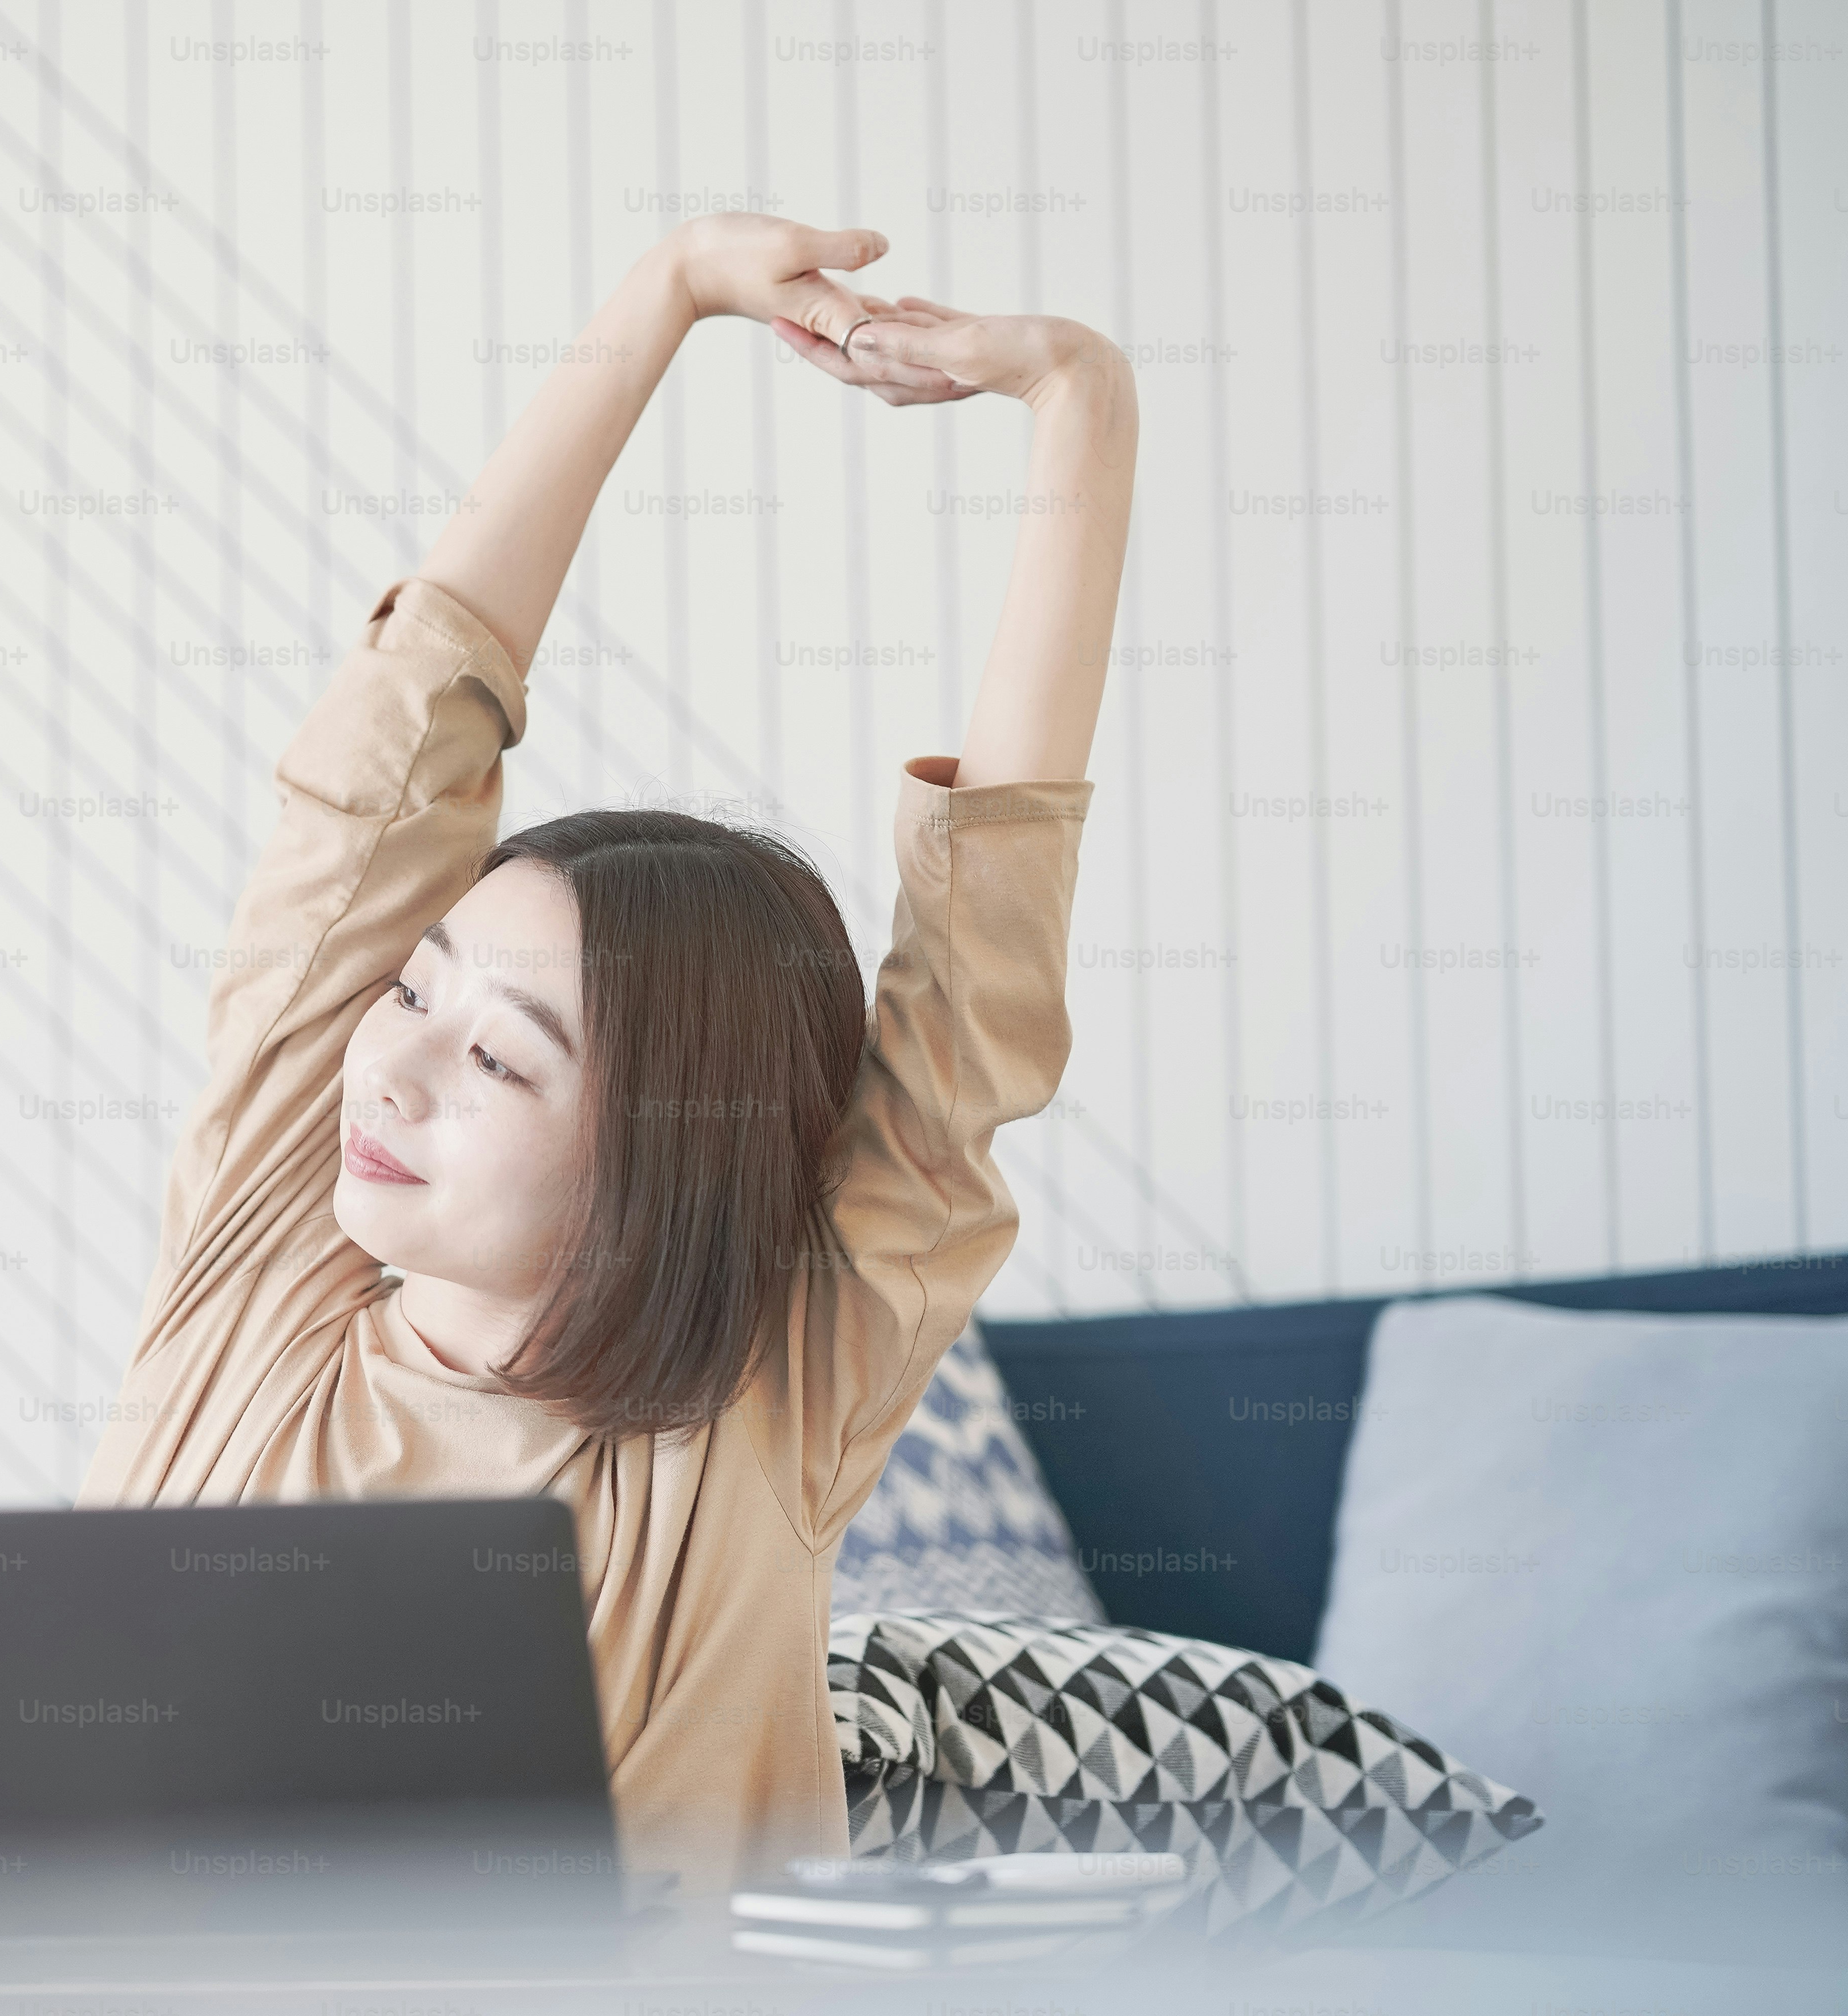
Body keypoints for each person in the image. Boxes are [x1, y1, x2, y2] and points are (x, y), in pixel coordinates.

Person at [78, 212, 1139, 1893]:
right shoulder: (257, 1274)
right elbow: (389, 756)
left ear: (662, 1146)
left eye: (507, 1063)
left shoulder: (763, 1411)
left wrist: (1081, 398)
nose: (399, 1072)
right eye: (415, 994)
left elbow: (977, 993)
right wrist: (666, 294)